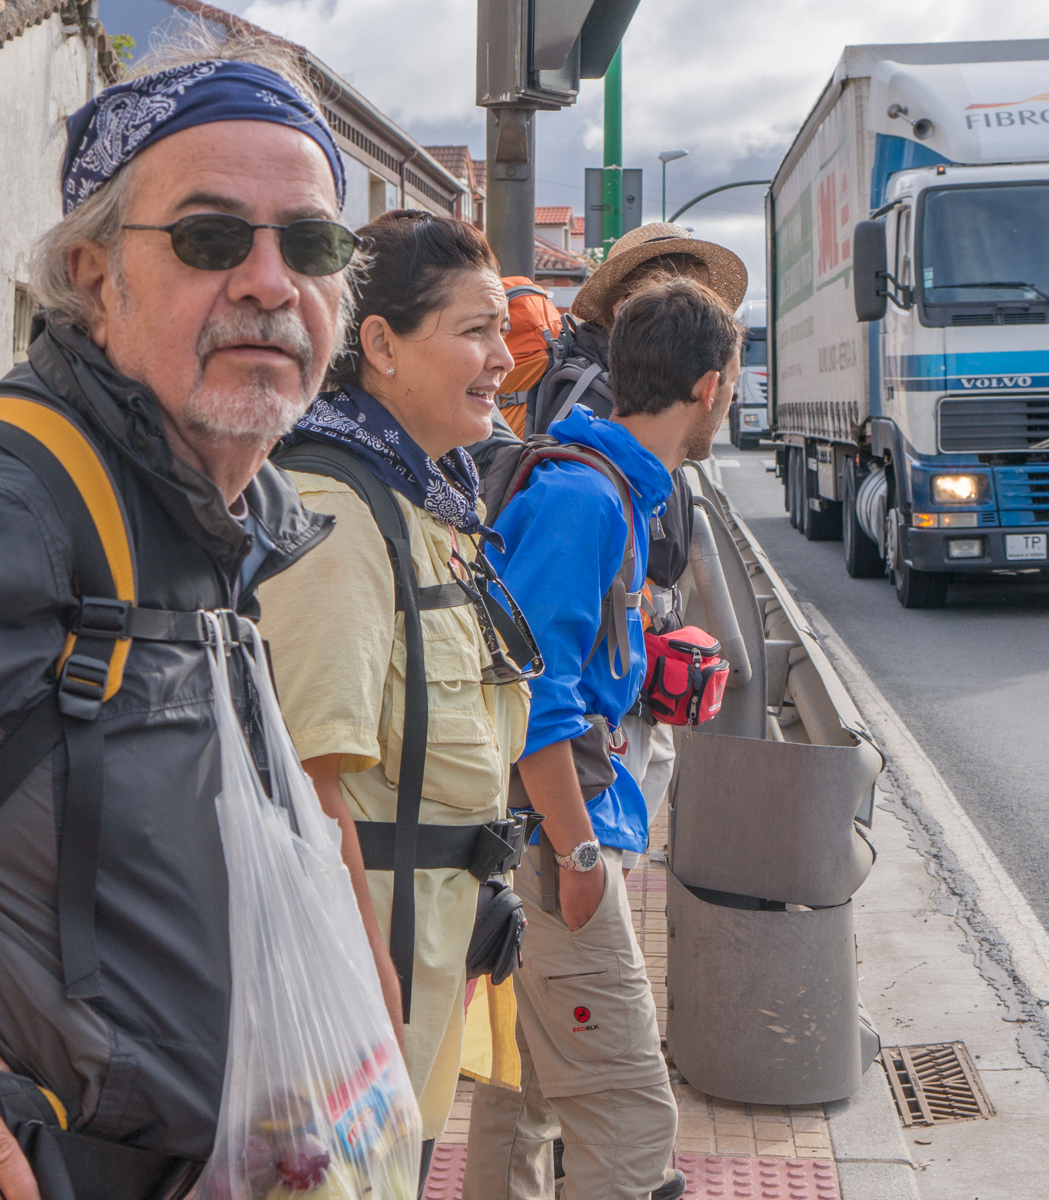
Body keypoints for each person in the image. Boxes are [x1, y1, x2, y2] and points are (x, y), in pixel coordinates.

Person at [0, 36, 357, 1200]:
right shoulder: (6, 510)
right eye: (208, 238)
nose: (267, 280)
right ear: (96, 277)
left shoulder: (214, 525)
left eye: (312, 243)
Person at [256, 210, 530, 1181]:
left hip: (428, 963)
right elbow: (304, 790)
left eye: (503, 329)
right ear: (378, 345)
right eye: (476, 330)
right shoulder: (337, 514)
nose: (505, 356)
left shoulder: (430, 499)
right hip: (362, 994)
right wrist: (367, 1011)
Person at [465, 277, 744, 1200]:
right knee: (629, 1112)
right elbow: (529, 689)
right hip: (559, 844)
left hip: (562, 836)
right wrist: (579, 849)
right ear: (711, 385)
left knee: (535, 1092)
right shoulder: (586, 497)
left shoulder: (611, 486)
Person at [563, 223, 748, 868]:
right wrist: (577, 855)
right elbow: (547, 682)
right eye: (667, 287)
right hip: (588, 760)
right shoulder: (591, 476)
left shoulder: (619, 459)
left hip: (633, 650)